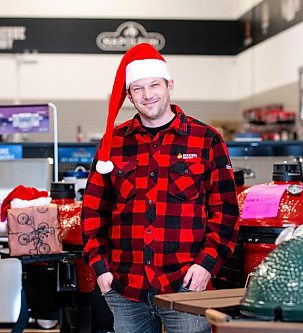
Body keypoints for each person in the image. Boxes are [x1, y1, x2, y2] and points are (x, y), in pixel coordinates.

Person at [82, 43, 239, 333]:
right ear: (129, 95)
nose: (147, 95)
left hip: (186, 285)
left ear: (170, 85)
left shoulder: (205, 140)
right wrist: (101, 270)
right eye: (138, 89)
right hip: (125, 286)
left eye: (154, 85)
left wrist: (206, 265)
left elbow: (225, 213)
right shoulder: (113, 144)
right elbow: (92, 214)